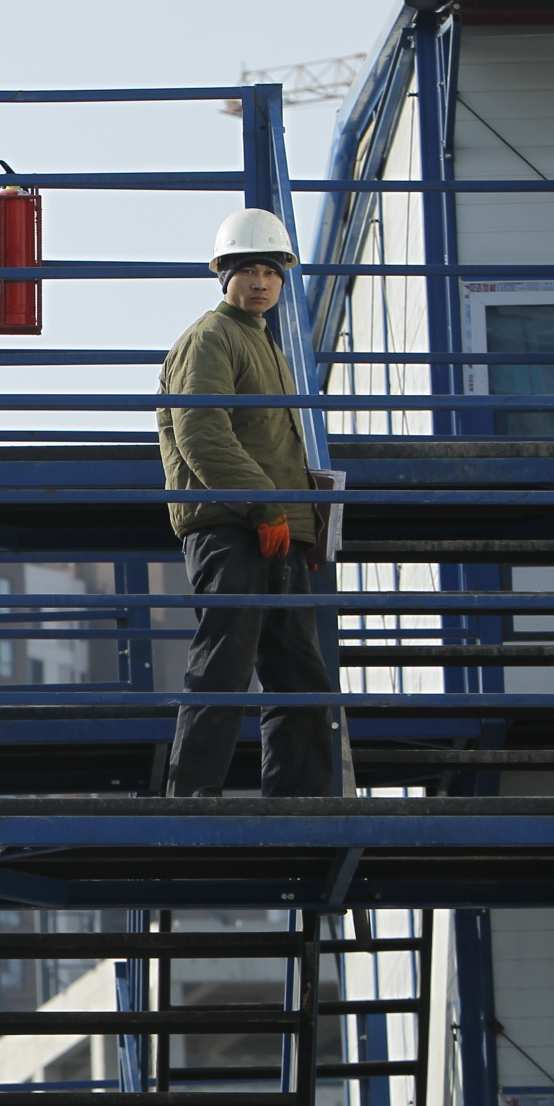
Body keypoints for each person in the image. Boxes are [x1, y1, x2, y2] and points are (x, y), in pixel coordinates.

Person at [156, 208, 335, 798]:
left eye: (271, 270)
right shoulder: (211, 337)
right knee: (224, 665)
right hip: (231, 526)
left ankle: (301, 802)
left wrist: (300, 524)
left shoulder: (264, 344)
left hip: (272, 527)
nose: (259, 281)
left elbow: (273, 447)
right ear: (222, 276)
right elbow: (202, 435)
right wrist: (266, 507)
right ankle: (191, 800)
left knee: (299, 675)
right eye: (246, 269)